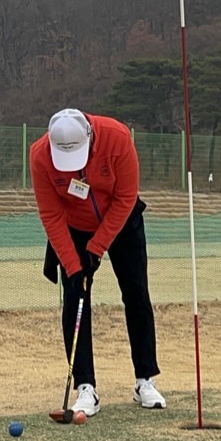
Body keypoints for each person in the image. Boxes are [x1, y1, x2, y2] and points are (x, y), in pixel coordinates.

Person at [32, 108, 164, 416]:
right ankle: (85, 387)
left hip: (122, 221)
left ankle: (145, 379)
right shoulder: (39, 155)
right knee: (75, 297)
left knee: (136, 293)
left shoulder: (117, 138)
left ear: (90, 137)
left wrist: (97, 248)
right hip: (74, 226)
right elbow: (51, 214)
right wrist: (73, 265)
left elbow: (125, 198)